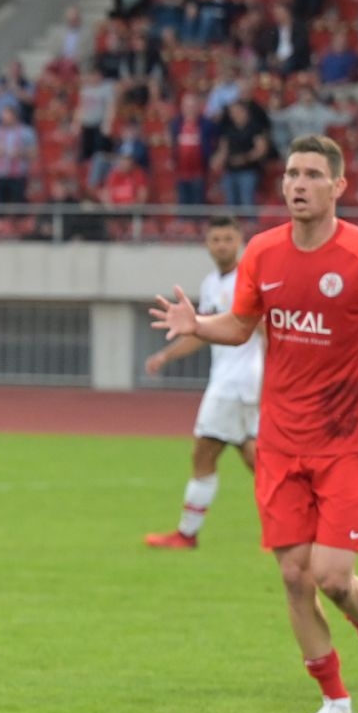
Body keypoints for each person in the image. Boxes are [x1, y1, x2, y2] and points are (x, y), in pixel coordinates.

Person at [151, 135, 358, 713]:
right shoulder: (263, 252)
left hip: (348, 438)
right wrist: (197, 324)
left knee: (333, 576)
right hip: (280, 438)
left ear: (339, 186)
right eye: (291, 174)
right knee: (293, 575)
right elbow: (241, 325)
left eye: (312, 175)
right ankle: (334, 701)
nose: (298, 184)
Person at [143, 217, 263, 548]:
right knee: (254, 457)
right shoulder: (212, 282)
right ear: (207, 244)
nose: (222, 245)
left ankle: (186, 534)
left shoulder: (246, 281)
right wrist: (166, 356)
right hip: (233, 383)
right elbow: (201, 331)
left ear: (240, 242)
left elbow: (265, 329)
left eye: (228, 239)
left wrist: (275, 378)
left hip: (235, 384)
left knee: (203, 454)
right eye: (216, 239)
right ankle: (294, 521)